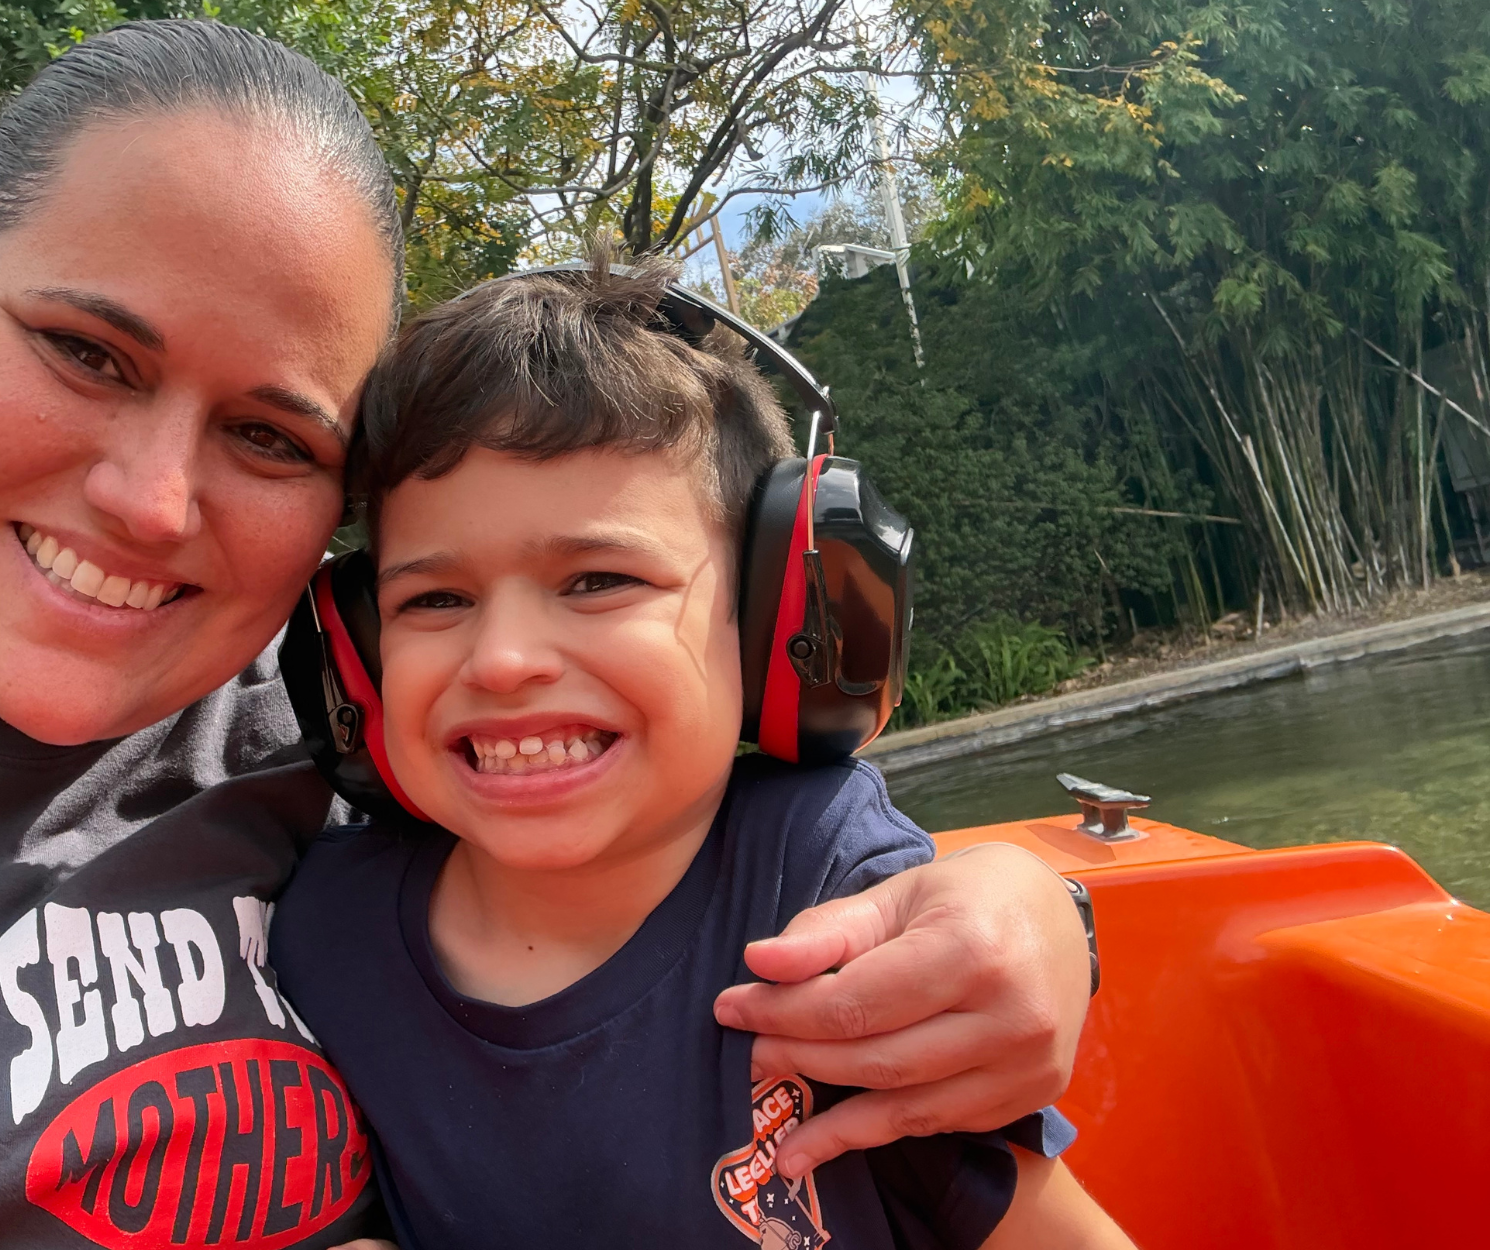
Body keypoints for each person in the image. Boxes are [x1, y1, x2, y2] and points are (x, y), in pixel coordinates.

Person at [0, 20, 1096, 1250]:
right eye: (85, 351)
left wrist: (1035, 923)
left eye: (269, 435)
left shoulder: (329, 716)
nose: (148, 501)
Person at [272, 255, 1132, 1248]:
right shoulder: (318, 936)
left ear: (777, 623)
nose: (502, 659)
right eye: (433, 599)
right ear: (356, 657)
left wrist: (1037, 905)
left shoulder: (823, 888)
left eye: (597, 579)